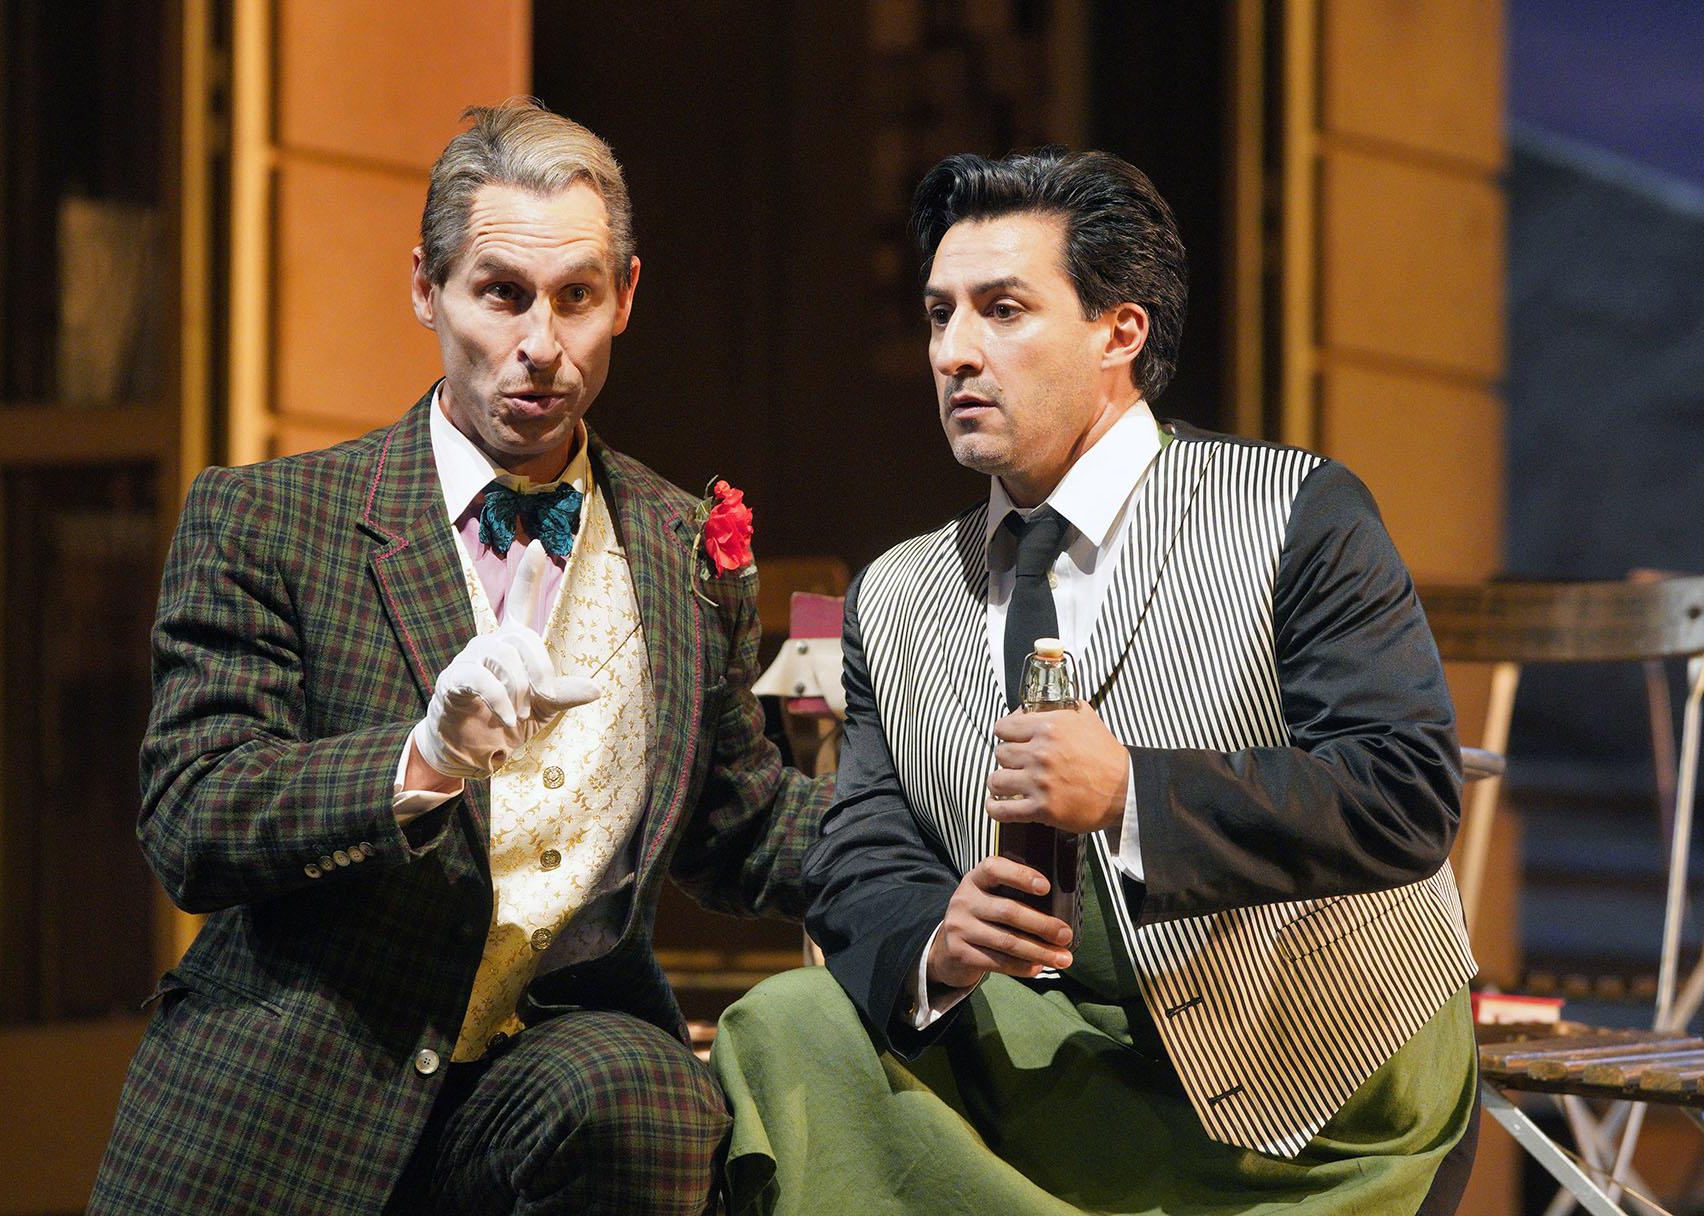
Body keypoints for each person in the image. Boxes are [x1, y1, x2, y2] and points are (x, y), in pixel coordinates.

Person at [90, 99, 827, 1216]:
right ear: (426, 289)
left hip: (541, 1089)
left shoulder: (680, 546)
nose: (541, 343)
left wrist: (948, 831)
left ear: (625, 296)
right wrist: (422, 756)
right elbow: (192, 814)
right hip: (298, 1096)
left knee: (651, 1090)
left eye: (576, 296)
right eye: (502, 293)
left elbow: (740, 818)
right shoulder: (268, 517)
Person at [712, 147, 1479, 1215]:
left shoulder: (1296, 513)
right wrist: (940, 939)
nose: (955, 352)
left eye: (1003, 310)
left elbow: (1405, 792)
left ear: (1119, 332)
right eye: (940, 315)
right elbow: (863, 845)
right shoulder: (893, 594)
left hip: (1313, 1090)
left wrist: (1132, 792)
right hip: (1050, 1065)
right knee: (787, 1026)